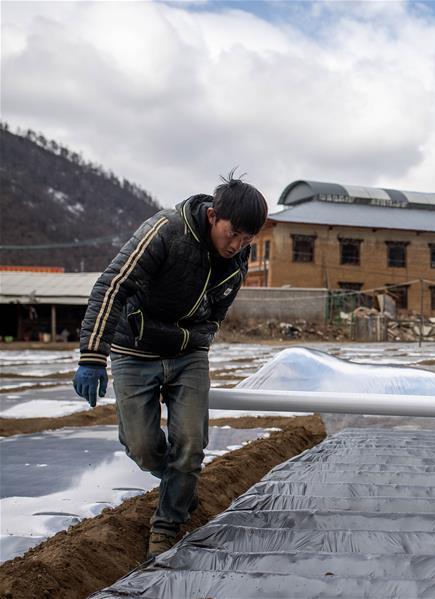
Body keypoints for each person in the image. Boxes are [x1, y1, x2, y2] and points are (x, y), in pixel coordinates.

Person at [72, 173, 267, 558]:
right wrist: (93, 355)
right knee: (142, 447)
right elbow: (113, 285)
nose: (238, 245)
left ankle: (166, 526)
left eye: (248, 239)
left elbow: (218, 309)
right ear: (213, 216)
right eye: (234, 234)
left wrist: (202, 337)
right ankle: (182, 485)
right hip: (135, 349)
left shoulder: (238, 256)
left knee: (191, 446)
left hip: (188, 354)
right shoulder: (165, 231)